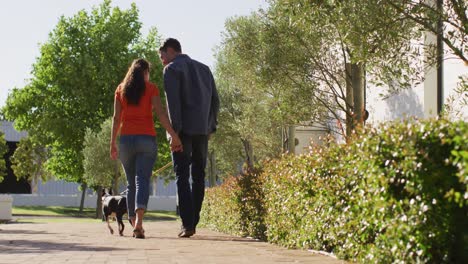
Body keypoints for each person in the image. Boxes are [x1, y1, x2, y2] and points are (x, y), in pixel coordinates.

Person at [110, 58, 182, 239]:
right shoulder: (151, 89)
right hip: (146, 140)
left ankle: (135, 223)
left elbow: (116, 118)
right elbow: (161, 113)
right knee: (142, 180)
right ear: (145, 73)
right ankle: (139, 223)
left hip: (126, 141)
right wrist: (173, 135)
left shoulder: (120, 89)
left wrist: (112, 143)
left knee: (131, 183)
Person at [159, 38, 219, 238]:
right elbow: (215, 101)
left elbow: (173, 105)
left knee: (182, 176)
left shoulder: (171, 70)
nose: (162, 61)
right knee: (199, 176)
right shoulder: (205, 69)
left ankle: (187, 224)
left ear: (170, 51)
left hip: (182, 132)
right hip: (202, 130)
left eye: (162, 56)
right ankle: (193, 221)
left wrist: (173, 134)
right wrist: (211, 126)